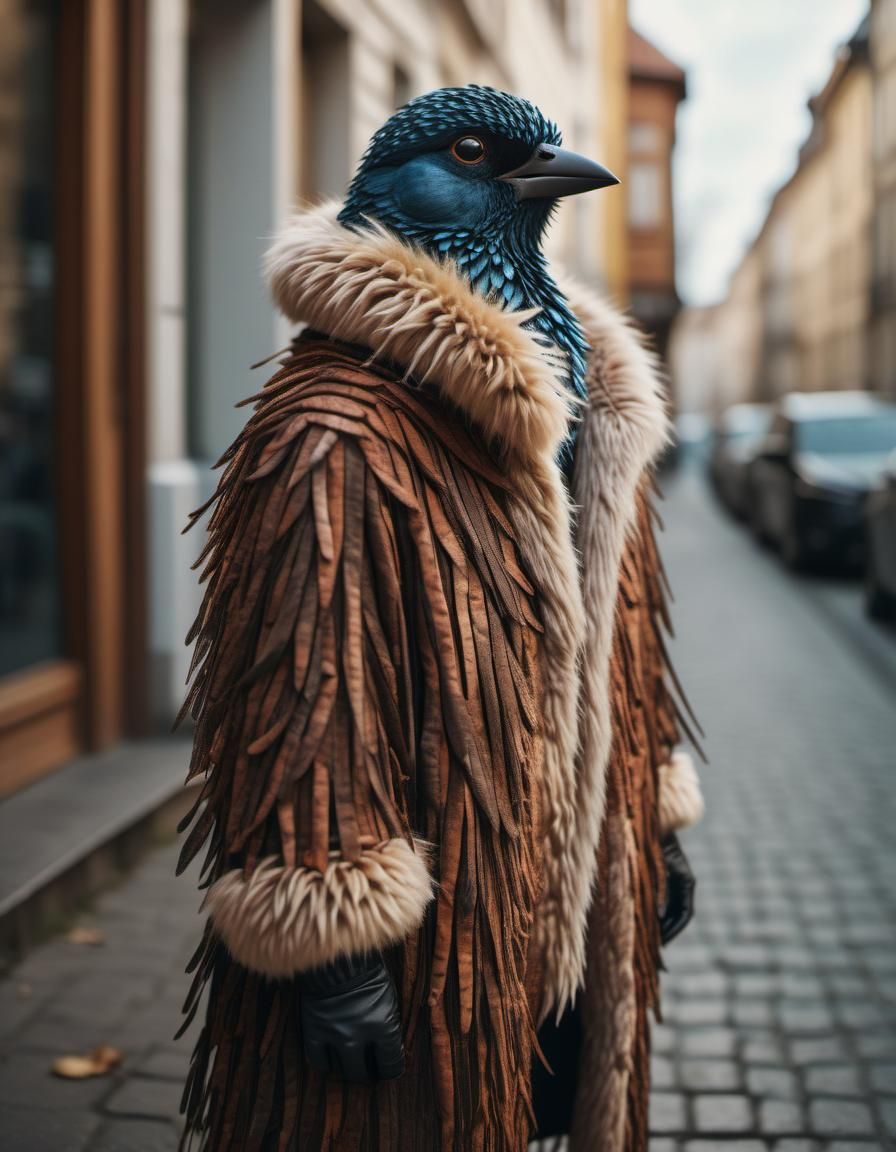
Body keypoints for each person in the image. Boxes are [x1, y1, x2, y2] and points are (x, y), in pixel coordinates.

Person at [177, 85, 704, 1152]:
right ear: (396, 190)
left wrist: (648, 818)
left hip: (561, 881)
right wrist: (332, 943)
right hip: (433, 930)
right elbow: (303, 689)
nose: (540, 171)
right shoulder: (337, 425)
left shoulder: (593, 399)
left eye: (535, 154)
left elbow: (621, 633)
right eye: (476, 155)